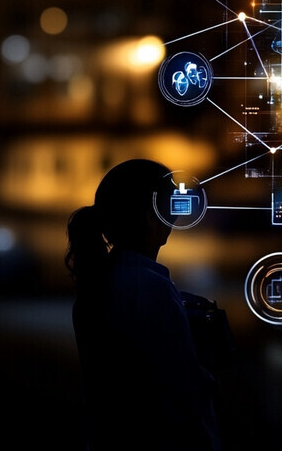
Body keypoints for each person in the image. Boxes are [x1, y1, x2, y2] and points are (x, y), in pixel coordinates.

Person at [65, 158, 223, 450]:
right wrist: (207, 350)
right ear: (152, 217)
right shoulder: (150, 288)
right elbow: (184, 392)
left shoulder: (99, 283)